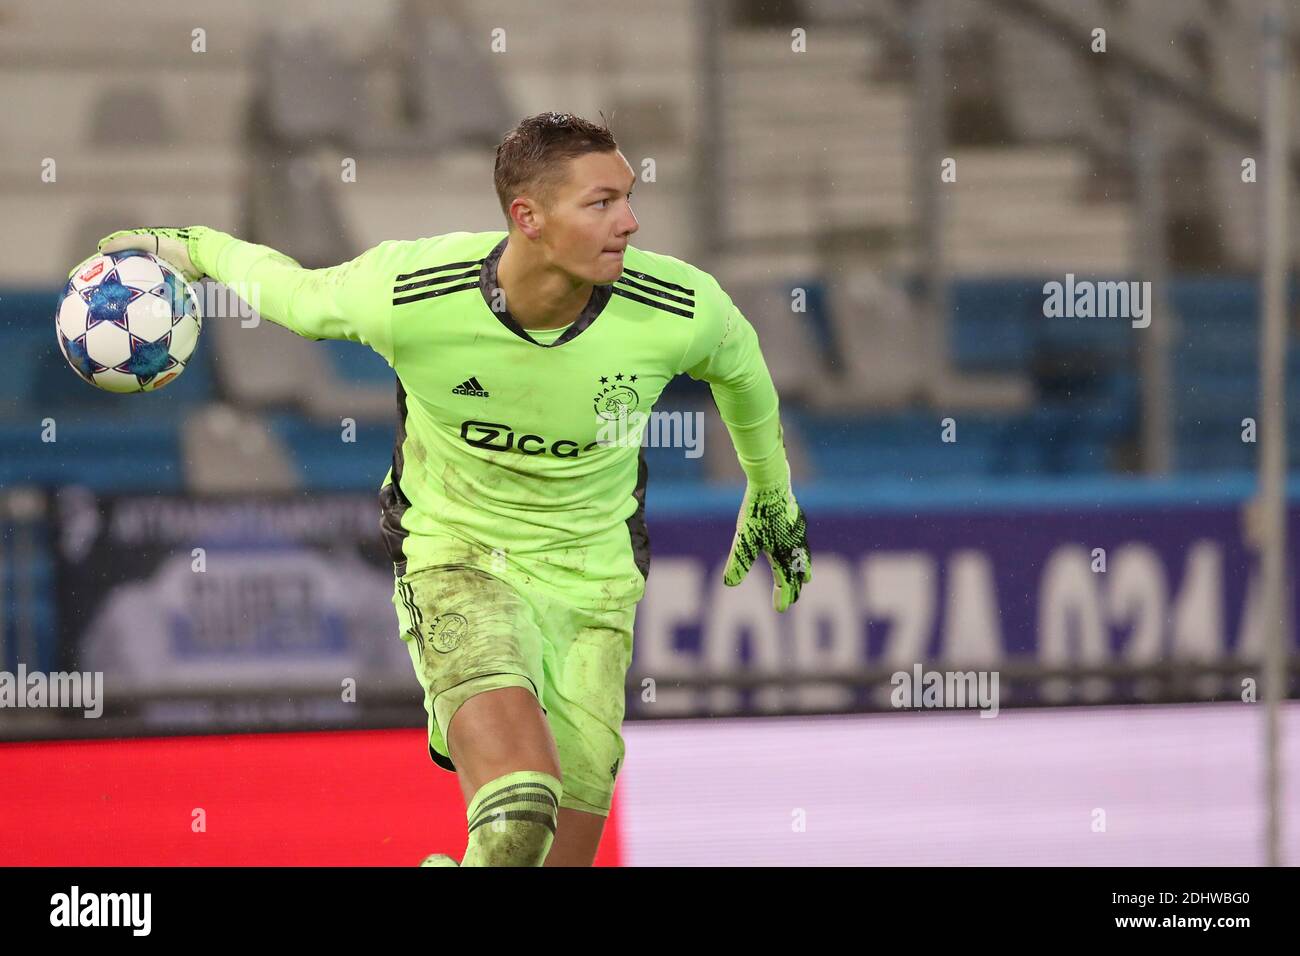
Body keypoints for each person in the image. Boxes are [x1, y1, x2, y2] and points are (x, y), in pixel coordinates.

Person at [95, 110, 812, 867]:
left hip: (594, 580)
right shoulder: (415, 293)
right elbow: (297, 297)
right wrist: (194, 249)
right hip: (459, 558)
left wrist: (770, 490)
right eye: (601, 203)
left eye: (627, 198)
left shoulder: (677, 306)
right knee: (518, 807)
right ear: (527, 217)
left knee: (553, 857)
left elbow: (744, 370)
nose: (630, 222)